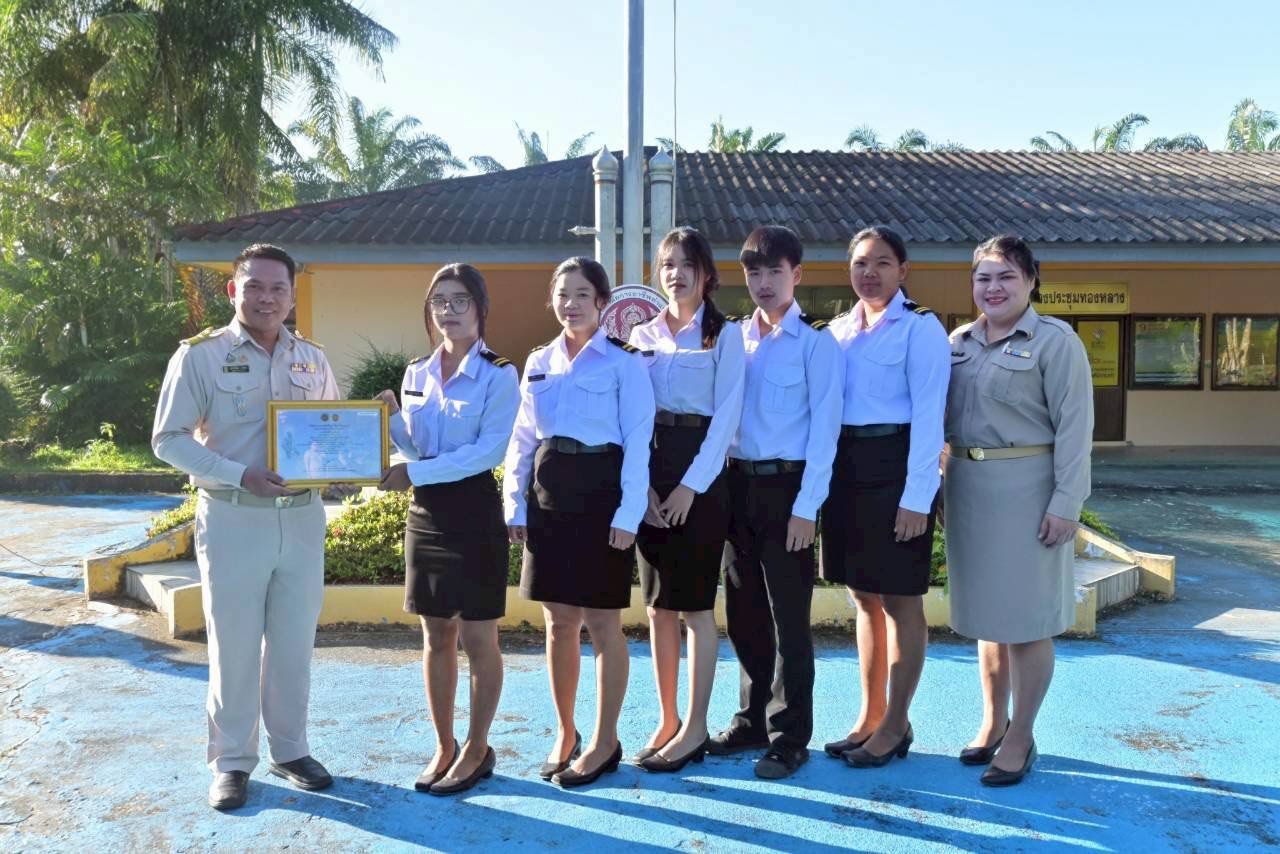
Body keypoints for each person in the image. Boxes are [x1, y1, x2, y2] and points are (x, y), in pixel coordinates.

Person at [152, 243, 339, 811]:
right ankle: (232, 762)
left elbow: (332, 428)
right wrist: (240, 475)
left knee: (293, 644)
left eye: (278, 288)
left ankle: (291, 750)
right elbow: (168, 439)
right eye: (254, 286)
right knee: (233, 646)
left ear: (292, 296)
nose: (266, 298)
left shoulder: (312, 358)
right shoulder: (201, 357)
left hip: (302, 520)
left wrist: (354, 451)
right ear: (234, 290)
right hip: (234, 516)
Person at [944, 234, 1093, 786]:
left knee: (1027, 622)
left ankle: (1022, 735)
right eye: (983, 277)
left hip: (1028, 493)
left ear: (1031, 281)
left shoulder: (1056, 341)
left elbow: (1076, 429)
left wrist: (1066, 503)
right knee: (989, 617)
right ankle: (992, 722)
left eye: (1006, 275)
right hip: (968, 489)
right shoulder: (958, 342)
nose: (994, 287)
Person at [502, 256, 655, 788]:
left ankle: (604, 740)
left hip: (601, 496)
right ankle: (566, 732)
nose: (571, 304)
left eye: (582, 294)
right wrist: (514, 504)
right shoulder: (539, 360)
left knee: (603, 622)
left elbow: (639, 442)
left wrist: (629, 514)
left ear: (602, 303)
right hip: (549, 496)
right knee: (559, 622)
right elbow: (522, 438)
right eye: (563, 294)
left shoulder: (624, 362)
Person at [375, 263, 519, 795]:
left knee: (479, 637)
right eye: (439, 301)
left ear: (480, 308)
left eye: (460, 300)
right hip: (426, 514)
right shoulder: (417, 372)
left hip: (474, 511)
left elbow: (489, 452)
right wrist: (392, 421)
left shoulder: (500, 374)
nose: (449, 311)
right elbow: (416, 448)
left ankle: (478, 748)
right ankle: (444, 745)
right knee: (436, 636)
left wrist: (415, 473)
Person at [709, 225, 844, 779]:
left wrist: (807, 508)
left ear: (797, 274)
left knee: (789, 618)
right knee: (743, 613)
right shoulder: (732, 339)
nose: (763, 282)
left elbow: (826, 433)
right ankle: (751, 720)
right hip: (735, 486)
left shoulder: (816, 344)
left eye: (775, 271)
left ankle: (789, 735)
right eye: (754, 272)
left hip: (788, 490)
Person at [822, 226, 950, 768]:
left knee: (900, 600)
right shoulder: (836, 331)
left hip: (897, 467)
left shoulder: (920, 328)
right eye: (860, 263)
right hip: (845, 471)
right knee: (863, 597)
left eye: (881, 263)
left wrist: (918, 497)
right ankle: (870, 714)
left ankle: (897, 723)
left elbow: (929, 417)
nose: (869, 273)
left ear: (903, 270)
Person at [628, 227, 746, 772]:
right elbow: (633, 414)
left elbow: (726, 419)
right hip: (651, 473)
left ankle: (695, 727)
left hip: (701, 475)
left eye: (686, 264)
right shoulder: (643, 334)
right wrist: (644, 486)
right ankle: (668, 718)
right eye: (667, 264)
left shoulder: (725, 335)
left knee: (696, 607)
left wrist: (688, 488)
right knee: (658, 607)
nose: (675, 274)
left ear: (707, 274)